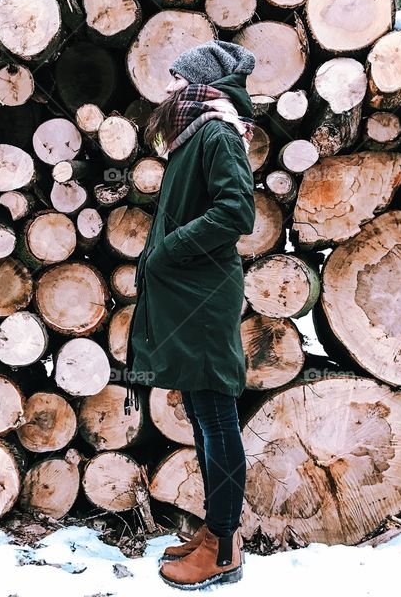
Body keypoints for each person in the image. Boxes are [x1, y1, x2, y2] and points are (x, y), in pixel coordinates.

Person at [123, 40, 256, 590]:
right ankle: (214, 530)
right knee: (203, 419)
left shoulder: (217, 133)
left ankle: (224, 547)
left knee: (217, 419)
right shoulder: (195, 136)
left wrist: (168, 249)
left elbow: (236, 211)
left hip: (203, 299)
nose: (169, 88)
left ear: (200, 85)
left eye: (177, 79)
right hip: (189, 297)